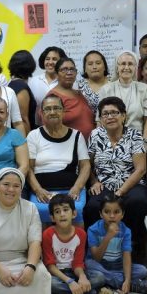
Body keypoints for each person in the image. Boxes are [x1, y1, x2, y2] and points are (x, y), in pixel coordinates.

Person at [85, 97, 147, 250]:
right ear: (101, 118)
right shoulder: (95, 135)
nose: (110, 117)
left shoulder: (134, 135)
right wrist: (94, 181)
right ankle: (100, 249)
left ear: (123, 116)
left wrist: (121, 191)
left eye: (114, 112)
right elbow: (87, 164)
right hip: (104, 184)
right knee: (93, 206)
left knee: (138, 202)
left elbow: (140, 169)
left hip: (131, 184)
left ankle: (135, 248)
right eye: (105, 114)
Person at [26, 94, 91, 223]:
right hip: (42, 191)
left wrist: (77, 188)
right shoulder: (33, 135)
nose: (52, 112)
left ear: (63, 111)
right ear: (41, 113)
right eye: (48, 109)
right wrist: (38, 190)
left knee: (75, 209)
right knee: (40, 209)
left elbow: (85, 166)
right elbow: (28, 168)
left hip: (71, 189)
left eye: (56, 108)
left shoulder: (76, 135)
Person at [42, 194, 114, 294]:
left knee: (99, 277)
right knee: (50, 283)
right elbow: (50, 266)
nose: (62, 214)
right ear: (52, 218)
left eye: (66, 210)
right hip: (57, 274)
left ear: (74, 214)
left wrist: (82, 277)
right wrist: (69, 282)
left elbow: (78, 263)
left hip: (74, 272)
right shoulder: (47, 234)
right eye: (57, 212)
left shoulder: (81, 234)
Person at [85, 195, 147, 294]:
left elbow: (126, 256)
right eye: (107, 212)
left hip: (117, 265)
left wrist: (127, 280)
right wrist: (108, 237)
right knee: (89, 266)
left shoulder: (126, 231)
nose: (112, 216)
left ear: (122, 214)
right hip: (98, 264)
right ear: (101, 214)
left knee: (143, 271)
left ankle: (110, 283)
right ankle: (132, 285)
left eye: (116, 212)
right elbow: (96, 257)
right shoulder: (93, 230)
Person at [99, 51, 147, 141]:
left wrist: (145, 142)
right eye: (123, 64)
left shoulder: (144, 89)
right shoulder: (106, 89)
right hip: (111, 139)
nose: (126, 67)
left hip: (137, 139)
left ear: (135, 67)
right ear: (117, 67)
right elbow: (100, 119)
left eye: (130, 64)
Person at [45, 56, 96, 140]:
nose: (69, 73)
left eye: (72, 69)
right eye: (64, 69)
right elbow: (50, 127)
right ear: (56, 74)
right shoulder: (52, 97)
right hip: (69, 145)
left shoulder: (79, 93)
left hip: (90, 144)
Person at [8, 49, 38, 132]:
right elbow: (23, 119)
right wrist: (27, 139)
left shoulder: (12, 84)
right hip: (22, 135)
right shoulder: (21, 86)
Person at [76, 49, 109, 119]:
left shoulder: (114, 83)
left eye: (98, 63)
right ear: (85, 69)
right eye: (90, 64)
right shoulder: (77, 87)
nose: (94, 67)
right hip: (85, 124)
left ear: (104, 66)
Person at [28, 46, 62, 111]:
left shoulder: (66, 82)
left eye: (54, 59)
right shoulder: (33, 81)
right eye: (47, 59)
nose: (50, 62)